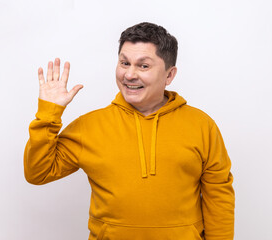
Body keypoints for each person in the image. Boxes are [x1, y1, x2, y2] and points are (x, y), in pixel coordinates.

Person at [24, 22, 235, 240]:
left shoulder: (201, 125)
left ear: (169, 75)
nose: (130, 75)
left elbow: (219, 198)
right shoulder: (89, 126)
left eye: (143, 66)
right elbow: (38, 172)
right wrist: (49, 113)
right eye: (124, 63)